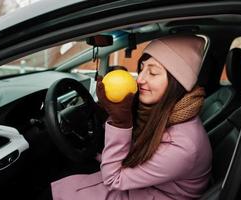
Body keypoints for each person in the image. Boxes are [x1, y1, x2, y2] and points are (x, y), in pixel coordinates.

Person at [51, 35, 212, 200]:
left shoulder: (183, 147)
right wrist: (106, 113)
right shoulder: (164, 110)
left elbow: (114, 179)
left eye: (153, 72)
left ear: (176, 83)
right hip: (144, 186)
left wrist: (121, 123)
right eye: (142, 69)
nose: (140, 79)